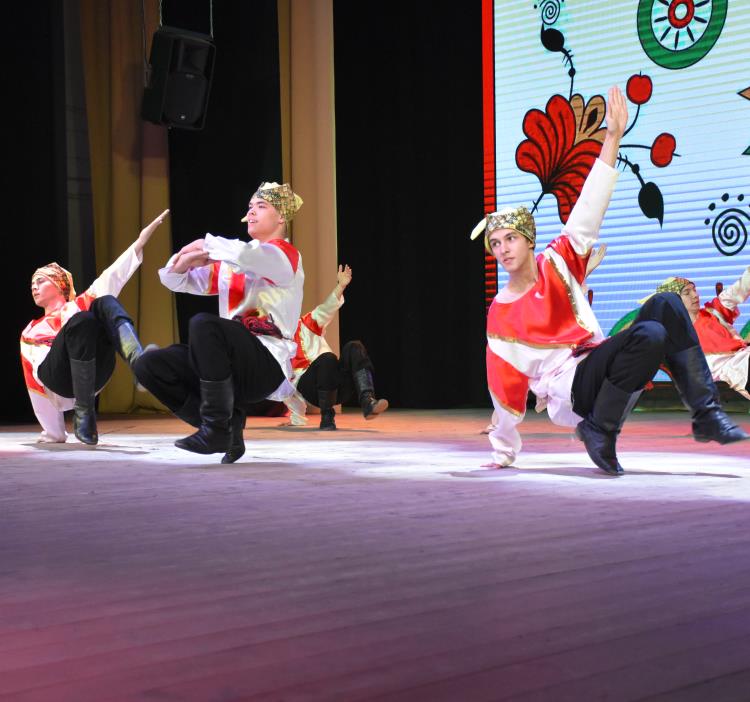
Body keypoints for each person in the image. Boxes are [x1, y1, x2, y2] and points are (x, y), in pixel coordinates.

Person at [471, 86, 747, 475]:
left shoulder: (558, 260)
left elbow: (590, 205)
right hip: (571, 392)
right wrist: (503, 449)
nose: (502, 249)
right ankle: (599, 429)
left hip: (602, 370)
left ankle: (705, 413)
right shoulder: (501, 312)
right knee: (650, 334)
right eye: (495, 244)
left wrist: (613, 137)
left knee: (667, 304)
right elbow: (502, 383)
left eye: (510, 239)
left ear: (529, 240)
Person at [134, 183, 305, 464]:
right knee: (148, 365)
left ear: (281, 218)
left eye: (261, 206)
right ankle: (227, 427)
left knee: (204, 325)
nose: (251, 212)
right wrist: (181, 264)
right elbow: (178, 281)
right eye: (250, 207)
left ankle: (214, 428)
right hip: (229, 363)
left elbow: (251, 257)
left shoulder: (283, 256)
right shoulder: (233, 264)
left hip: (266, 365)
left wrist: (208, 243)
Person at [20, 210, 169, 445]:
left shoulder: (80, 305)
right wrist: (53, 431)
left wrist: (140, 242)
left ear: (59, 285)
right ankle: (84, 413)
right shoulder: (32, 330)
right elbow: (33, 382)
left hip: (92, 376)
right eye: (32, 283)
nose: (34, 287)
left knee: (104, 302)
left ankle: (141, 365)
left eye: (40, 280)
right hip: (57, 382)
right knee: (81, 320)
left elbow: (113, 276)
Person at [284, 264, 388, 429]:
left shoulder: (306, 323)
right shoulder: (275, 340)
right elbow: (284, 382)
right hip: (311, 389)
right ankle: (327, 417)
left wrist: (341, 286)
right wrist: (297, 417)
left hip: (335, 384)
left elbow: (327, 308)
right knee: (327, 358)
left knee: (354, 346)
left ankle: (367, 401)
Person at [640, 270, 750, 401]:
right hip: (735, 372)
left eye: (694, 290)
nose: (695, 295)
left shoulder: (714, 312)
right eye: (687, 293)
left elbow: (739, 288)